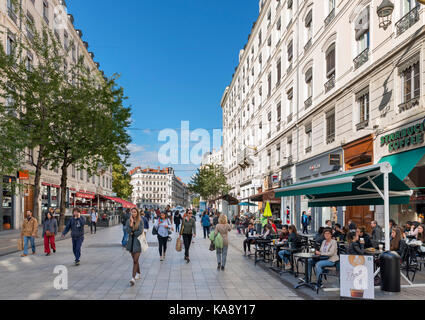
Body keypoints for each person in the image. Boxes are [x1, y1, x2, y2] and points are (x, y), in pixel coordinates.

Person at [125, 208, 144, 286]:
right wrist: (131, 224)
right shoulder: (128, 221)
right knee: (135, 260)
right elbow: (128, 231)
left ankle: (133, 278)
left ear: (137, 213)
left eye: (135, 212)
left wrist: (132, 232)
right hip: (131, 243)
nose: (133, 213)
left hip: (138, 242)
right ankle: (138, 273)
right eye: (132, 212)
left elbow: (140, 231)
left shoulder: (140, 221)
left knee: (135, 260)